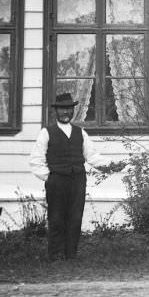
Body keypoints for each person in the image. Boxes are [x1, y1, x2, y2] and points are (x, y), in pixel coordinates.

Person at [29, 92, 112, 260]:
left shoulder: (80, 133)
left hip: (78, 181)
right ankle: (55, 255)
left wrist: (110, 166)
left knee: (75, 217)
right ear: (55, 111)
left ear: (73, 111)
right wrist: (50, 178)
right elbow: (36, 161)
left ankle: (71, 255)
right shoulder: (46, 133)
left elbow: (92, 156)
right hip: (56, 181)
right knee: (56, 217)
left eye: (68, 109)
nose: (66, 112)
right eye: (62, 109)